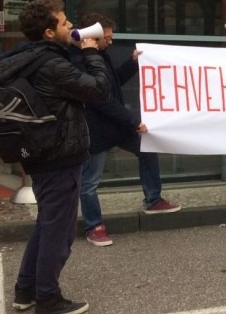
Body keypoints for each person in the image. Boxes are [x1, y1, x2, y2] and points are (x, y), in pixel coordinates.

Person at [0, 0, 110, 314]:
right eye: (64, 22)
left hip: (40, 153)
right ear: (48, 32)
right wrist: (91, 53)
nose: (71, 25)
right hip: (60, 155)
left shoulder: (25, 58)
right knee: (58, 232)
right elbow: (99, 89)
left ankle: (26, 290)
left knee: (46, 224)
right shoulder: (51, 64)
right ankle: (48, 298)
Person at [68, 14, 181, 247]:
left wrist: (132, 63)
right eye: (107, 37)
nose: (110, 41)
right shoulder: (78, 61)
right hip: (95, 129)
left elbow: (113, 83)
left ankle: (153, 199)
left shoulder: (99, 55)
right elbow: (100, 99)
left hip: (115, 125)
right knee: (90, 182)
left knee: (146, 149)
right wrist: (132, 121)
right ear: (92, 37)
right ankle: (94, 226)